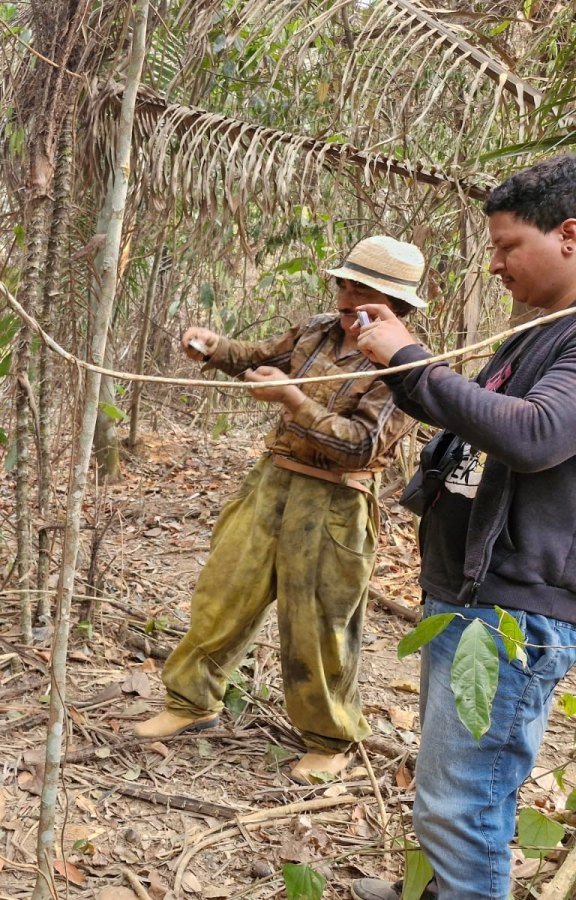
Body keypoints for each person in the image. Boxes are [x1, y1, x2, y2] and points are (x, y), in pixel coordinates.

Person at [350, 156, 576, 900]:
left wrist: (411, 356)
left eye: (509, 245)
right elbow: (470, 419)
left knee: (464, 807)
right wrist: (399, 366)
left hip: (509, 617)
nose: (495, 263)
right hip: (473, 596)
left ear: (569, 236)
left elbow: (535, 435)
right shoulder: (535, 334)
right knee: (450, 798)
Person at [134, 235, 424, 784]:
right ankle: (191, 701)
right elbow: (261, 356)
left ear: (396, 303)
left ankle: (329, 737)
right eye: (343, 282)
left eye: (361, 288)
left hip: (336, 501)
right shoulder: (318, 330)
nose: (345, 296)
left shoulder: (406, 365)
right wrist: (214, 347)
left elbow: (362, 444)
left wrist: (294, 400)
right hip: (273, 482)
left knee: (318, 622)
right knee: (224, 590)